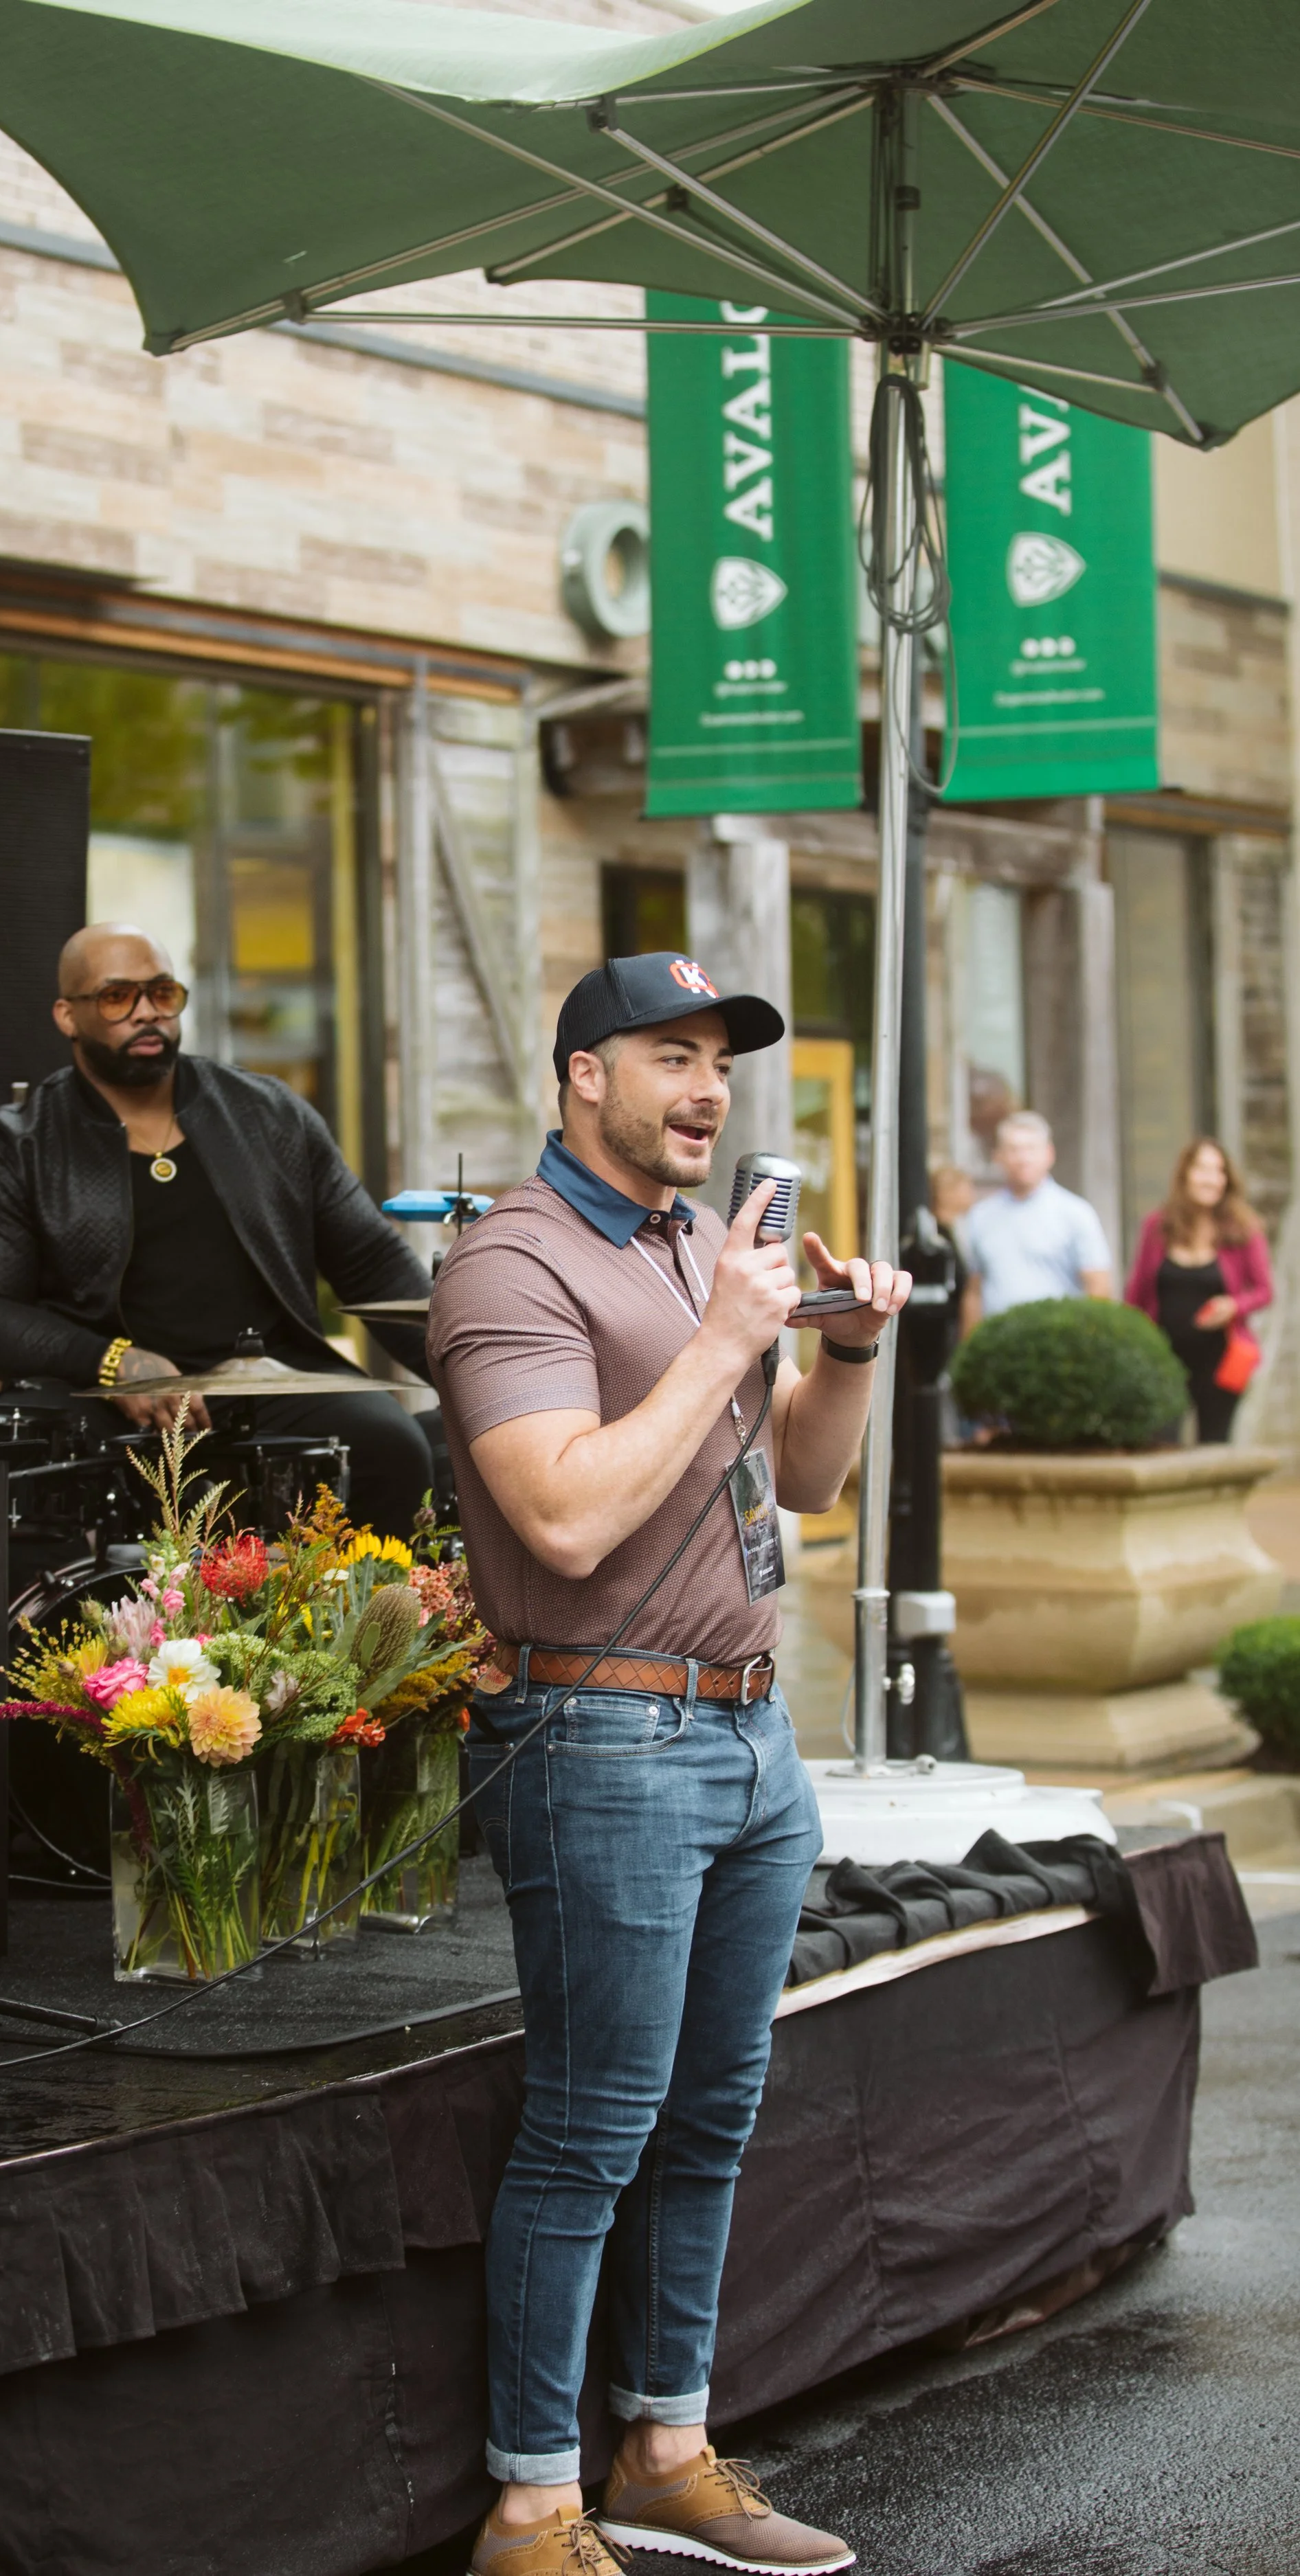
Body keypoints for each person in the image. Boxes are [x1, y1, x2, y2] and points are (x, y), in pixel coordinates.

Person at [429, 951, 910, 2576]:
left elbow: (805, 1485)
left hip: (750, 1725)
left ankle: (668, 2443)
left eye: (720, 1060)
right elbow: (560, 1511)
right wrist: (722, 1338)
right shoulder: (512, 1261)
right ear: (584, 1074)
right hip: (605, 1731)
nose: (706, 1088)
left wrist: (840, 1346)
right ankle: (528, 2499)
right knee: (592, 2123)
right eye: (670, 1055)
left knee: (712, 2110)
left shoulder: (711, 1244)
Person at [0, 923, 439, 1535]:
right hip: (101, 1401)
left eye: (163, 993)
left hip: (270, 1382)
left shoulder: (268, 1114)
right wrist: (109, 1361)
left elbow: (372, 1263)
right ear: (69, 1016)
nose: (147, 1013)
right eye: (119, 997)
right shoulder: (24, 1144)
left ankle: (374, 1629)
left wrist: (480, 1371)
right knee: (39, 1462)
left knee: (393, 1445)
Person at [1124, 1136, 1272, 1444]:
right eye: (1202, 1169)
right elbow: (1135, 1294)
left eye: (1219, 1172)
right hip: (1164, 1358)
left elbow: (1264, 1291)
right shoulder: (1158, 1226)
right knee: (1160, 1444)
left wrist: (1233, 1306)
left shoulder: (1243, 1229)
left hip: (1221, 1360)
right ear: (1185, 1176)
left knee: (1215, 1447)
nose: (1211, 1179)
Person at [957, 1110, 1113, 1332]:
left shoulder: (1075, 1213)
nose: (1022, 1159)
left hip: (1057, 1344)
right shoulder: (980, 1216)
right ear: (998, 1156)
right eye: (1013, 1150)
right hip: (998, 1346)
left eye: (1031, 1149)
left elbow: (1098, 1286)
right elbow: (974, 1290)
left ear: (1049, 1154)